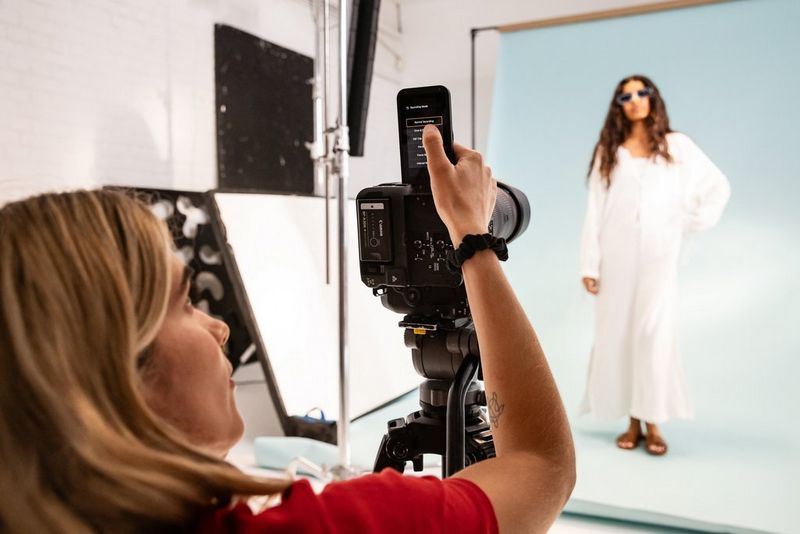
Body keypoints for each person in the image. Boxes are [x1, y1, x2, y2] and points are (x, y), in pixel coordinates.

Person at [0, 124, 575, 533]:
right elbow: (542, 467)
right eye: (182, 303)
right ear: (111, 375)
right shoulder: (334, 524)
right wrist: (474, 241)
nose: (219, 328)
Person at [579, 74, 731, 455]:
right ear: (618, 104)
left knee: (653, 334)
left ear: (653, 98)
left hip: (660, 254)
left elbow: (716, 186)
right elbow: (595, 209)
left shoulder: (676, 146)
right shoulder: (609, 150)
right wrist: (590, 264)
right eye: (625, 95)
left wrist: (688, 221)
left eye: (641, 92)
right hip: (616, 256)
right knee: (619, 333)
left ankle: (654, 420)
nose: (634, 100)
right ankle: (632, 421)